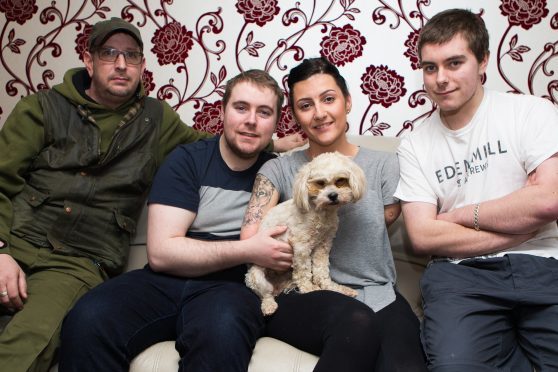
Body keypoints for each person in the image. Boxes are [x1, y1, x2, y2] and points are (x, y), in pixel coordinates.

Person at [0, 17, 304, 372]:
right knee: (89, 319)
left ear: (142, 66)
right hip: (21, 240)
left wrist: (274, 147)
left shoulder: (158, 120)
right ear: (88, 59)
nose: (120, 64)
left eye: (130, 56)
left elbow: (224, 144)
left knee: (220, 331)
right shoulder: (43, 108)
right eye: (109, 53)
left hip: (92, 264)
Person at [58, 69, 294, 372]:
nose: (251, 120)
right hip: (165, 280)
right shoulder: (188, 160)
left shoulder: (280, 173)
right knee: (88, 317)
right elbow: (162, 254)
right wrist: (248, 249)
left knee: (222, 331)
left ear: (275, 123)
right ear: (223, 112)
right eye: (241, 107)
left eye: (264, 112)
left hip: (232, 286)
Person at [394, 8, 558, 371]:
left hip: (545, 263)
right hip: (460, 275)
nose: (440, 79)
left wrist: (458, 216)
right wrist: (518, 223)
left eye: (454, 63)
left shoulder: (531, 112)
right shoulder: (414, 145)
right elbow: (421, 236)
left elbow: (548, 202)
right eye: (430, 67)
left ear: (483, 61)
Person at [241, 57, 427, 372]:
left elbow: (387, 218)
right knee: (355, 323)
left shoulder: (384, 165)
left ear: (348, 101)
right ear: (296, 115)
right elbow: (250, 238)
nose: (320, 113)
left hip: (376, 292)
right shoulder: (279, 167)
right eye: (305, 105)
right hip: (300, 295)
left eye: (328, 99)